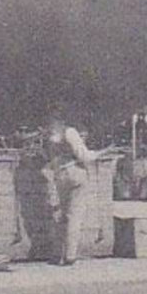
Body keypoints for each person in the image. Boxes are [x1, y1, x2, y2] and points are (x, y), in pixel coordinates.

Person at [41, 109, 99, 265]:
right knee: (75, 216)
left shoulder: (49, 136)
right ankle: (70, 255)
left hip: (59, 175)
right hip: (75, 172)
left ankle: (57, 253)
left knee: (61, 215)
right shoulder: (70, 132)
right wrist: (99, 153)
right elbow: (83, 155)